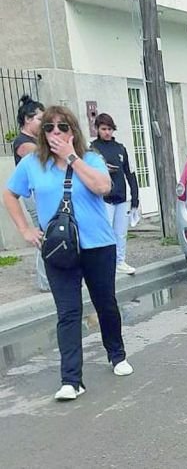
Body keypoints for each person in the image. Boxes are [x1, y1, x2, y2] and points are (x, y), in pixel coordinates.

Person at [2, 105, 133, 401]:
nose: (55, 133)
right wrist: (25, 229)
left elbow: (103, 187)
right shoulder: (32, 164)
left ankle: (117, 354)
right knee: (68, 312)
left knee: (105, 304)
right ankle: (71, 379)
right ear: (42, 133)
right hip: (59, 248)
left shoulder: (91, 158)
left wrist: (71, 157)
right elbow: (9, 194)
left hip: (98, 244)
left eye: (62, 127)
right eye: (49, 128)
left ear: (73, 131)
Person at [90, 113, 140, 275]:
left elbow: (130, 173)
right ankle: (104, 264)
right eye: (103, 129)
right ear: (97, 129)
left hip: (121, 197)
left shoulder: (120, 148)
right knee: (104, 232)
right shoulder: (92, 149)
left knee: (121, 233)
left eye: (109, 129)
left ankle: (120, 261)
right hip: (103, 199)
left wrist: (135, 198)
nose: (107, 132)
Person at [12, 95, 49, 291]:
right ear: (27, 119)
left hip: (41, 193)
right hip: (32, 195)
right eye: (40, 119)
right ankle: (45, 281)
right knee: (43, 235)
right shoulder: (22, 142)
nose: (43, 124)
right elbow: (40, 153)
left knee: (47, 233)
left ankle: (48, 279)